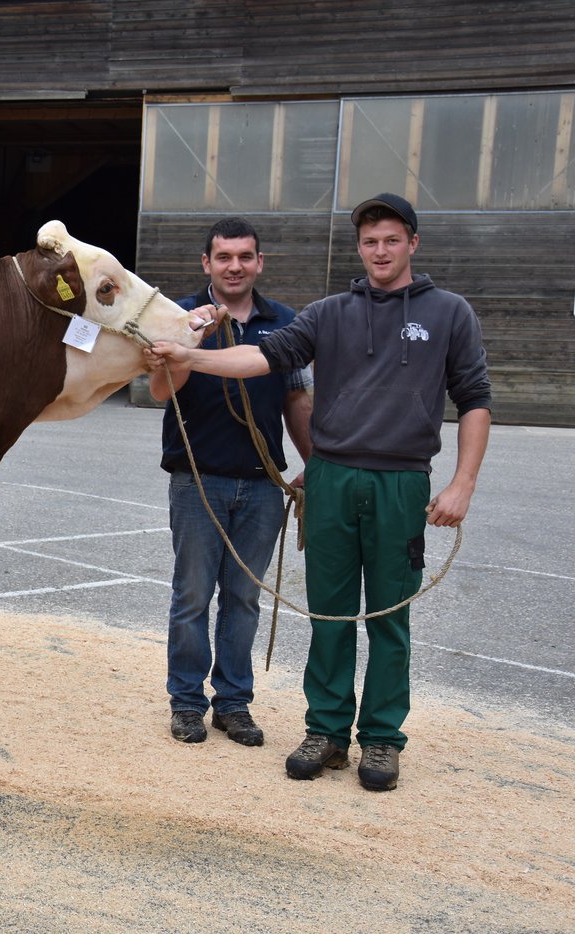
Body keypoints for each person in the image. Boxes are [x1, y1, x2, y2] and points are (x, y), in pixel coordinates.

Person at [146, 193, 492, 792]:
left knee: (389, 619)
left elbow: (476, 399)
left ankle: (381, 739)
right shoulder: (329, 312)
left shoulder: (449, 313)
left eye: (390, 240)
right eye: (369, 241)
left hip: (401, 481)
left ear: (412, 243)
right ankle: (327, 730)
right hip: (331, 479)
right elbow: (263, 356)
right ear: (359, 248)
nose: (379, 251)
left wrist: (462, 483)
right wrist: (188, 357)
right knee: (330, 614)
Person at [148, 217, 313, 748]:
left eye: (245, 257)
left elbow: (297, 400)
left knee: (243, 598)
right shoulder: (176, 317)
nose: (234, 266)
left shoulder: (285, 324)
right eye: (224, 257)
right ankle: (187, 703)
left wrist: (316, 464)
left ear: (259, 263)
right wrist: (190, 336)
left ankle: (234, 704)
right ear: (207, 263)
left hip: (264, 483)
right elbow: (157, 391)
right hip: (197, 480)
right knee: (192, 596)